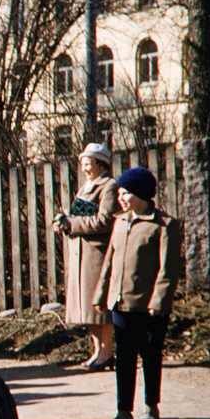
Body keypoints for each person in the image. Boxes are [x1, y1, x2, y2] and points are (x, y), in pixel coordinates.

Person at [93, 167, 183, 419]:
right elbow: (108, 261)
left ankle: (151, 406)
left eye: (126, 193)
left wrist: (159, 301)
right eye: (119, 192)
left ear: (142, 194)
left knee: (151, 355)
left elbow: (168, 269)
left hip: (149, 307)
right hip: (120, 304)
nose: (121, 198)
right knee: (125, 358)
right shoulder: (120, 222)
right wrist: (101, 295)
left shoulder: (165, 225)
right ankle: (123, 412)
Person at [53, 142, 118, 370]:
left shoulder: (109, 186)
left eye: (88, 163)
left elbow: (105, 220)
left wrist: (72, 224)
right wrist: (63, 223)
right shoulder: (85, 186)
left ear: (102, 164)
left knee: (99, 307)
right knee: (87, 308)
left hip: (97, 255)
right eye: (82, 164)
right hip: (81, 254)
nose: (84, 169)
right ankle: (97, 351)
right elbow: (78, 216)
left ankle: (107, 352)